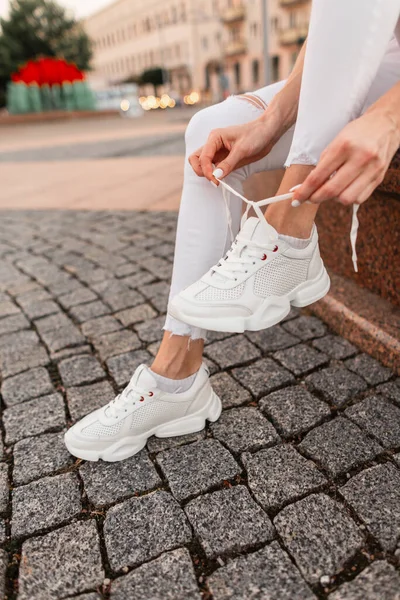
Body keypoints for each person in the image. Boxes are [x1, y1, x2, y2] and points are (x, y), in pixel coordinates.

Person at [64, 0, 400, 462]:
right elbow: (338, 32)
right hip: (381, 59)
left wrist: (388, 120)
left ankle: (289, 234)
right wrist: (269, 121)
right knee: (210, 127)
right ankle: (175, 377)